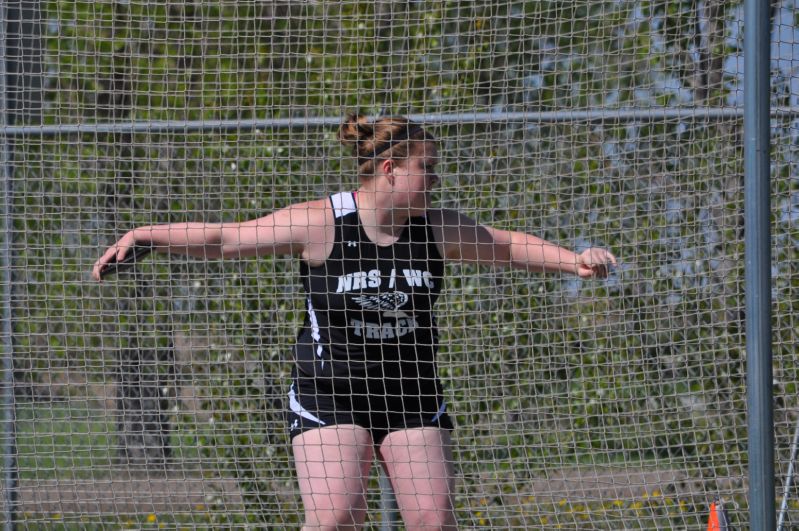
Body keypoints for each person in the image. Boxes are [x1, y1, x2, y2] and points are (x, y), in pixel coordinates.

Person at [92, 114, 617, 531]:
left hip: (410, 395)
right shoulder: (323, 222)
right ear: (391, 170)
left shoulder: (433, 228)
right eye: (427, 168)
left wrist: (575, 261)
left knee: (433, 521)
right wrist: (145, 235)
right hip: (330, 394)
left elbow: (505, 246)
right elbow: (226, 238)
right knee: (336, 519)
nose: (436, 180)